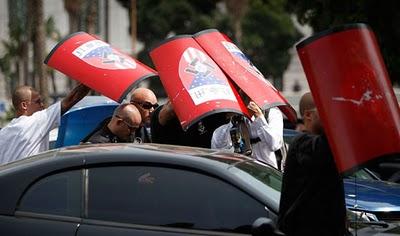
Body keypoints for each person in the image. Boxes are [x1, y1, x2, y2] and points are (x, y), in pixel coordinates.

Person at [278, 92, 346, 236]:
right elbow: (323, 147)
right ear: (308, 115)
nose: (330, 114)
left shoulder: (321, 145)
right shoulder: (303, 143)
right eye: (325, 109)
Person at [0, 83, 90, 164]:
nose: (42, 105)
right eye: (38, 102)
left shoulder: (3, 133)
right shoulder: (36, 121)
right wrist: (90, 80)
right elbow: (71, 99)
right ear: (24, 105)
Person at [211, 100, 284, 168]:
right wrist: (233, 122)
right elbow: (218, 153)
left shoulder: (272, 112)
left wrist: (259, 117)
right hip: (240, 174)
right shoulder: (224, 125)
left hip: (266, 172)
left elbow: (274, 144)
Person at [151, 100, 226, 148]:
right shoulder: (167, 111)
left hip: (204, 165)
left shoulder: (210, 112)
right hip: (177, 166)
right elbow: (163, 117)